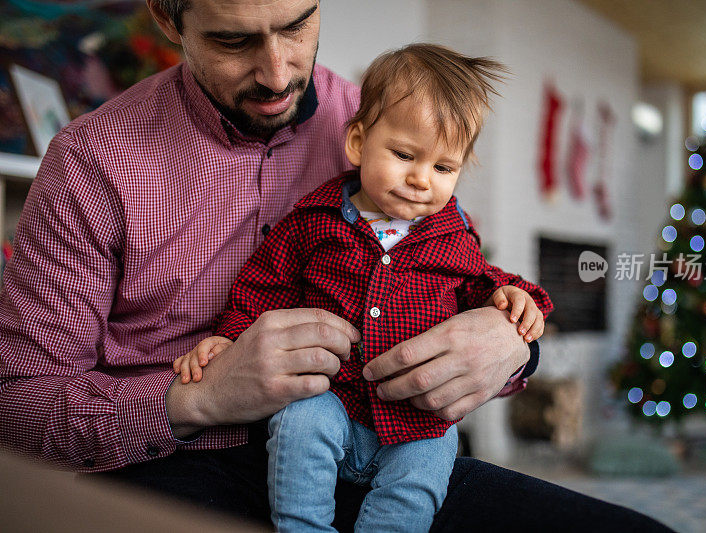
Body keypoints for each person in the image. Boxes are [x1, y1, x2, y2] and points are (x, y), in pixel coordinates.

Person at [0, 1, 673, 531]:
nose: (278, 71)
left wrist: (511, 345)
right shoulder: (92, 162)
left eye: (298, 23)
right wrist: (197, 398)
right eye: (234, 40)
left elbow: (455, 267)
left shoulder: (387, 123)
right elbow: (18, 405)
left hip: (375, 443)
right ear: (166, 16)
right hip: (173, 466)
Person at [172, 43, 551, 532]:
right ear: (357, 143)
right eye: (404, 155)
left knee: (431, 464)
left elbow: (483, 283)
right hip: (331, 396)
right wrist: (230, 336)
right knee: (297, 423)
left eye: (443, 168)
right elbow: (265, 286)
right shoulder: (314, 220)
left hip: (414, 419)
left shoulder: (452, 234)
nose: (420, 180)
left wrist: (515, 302)